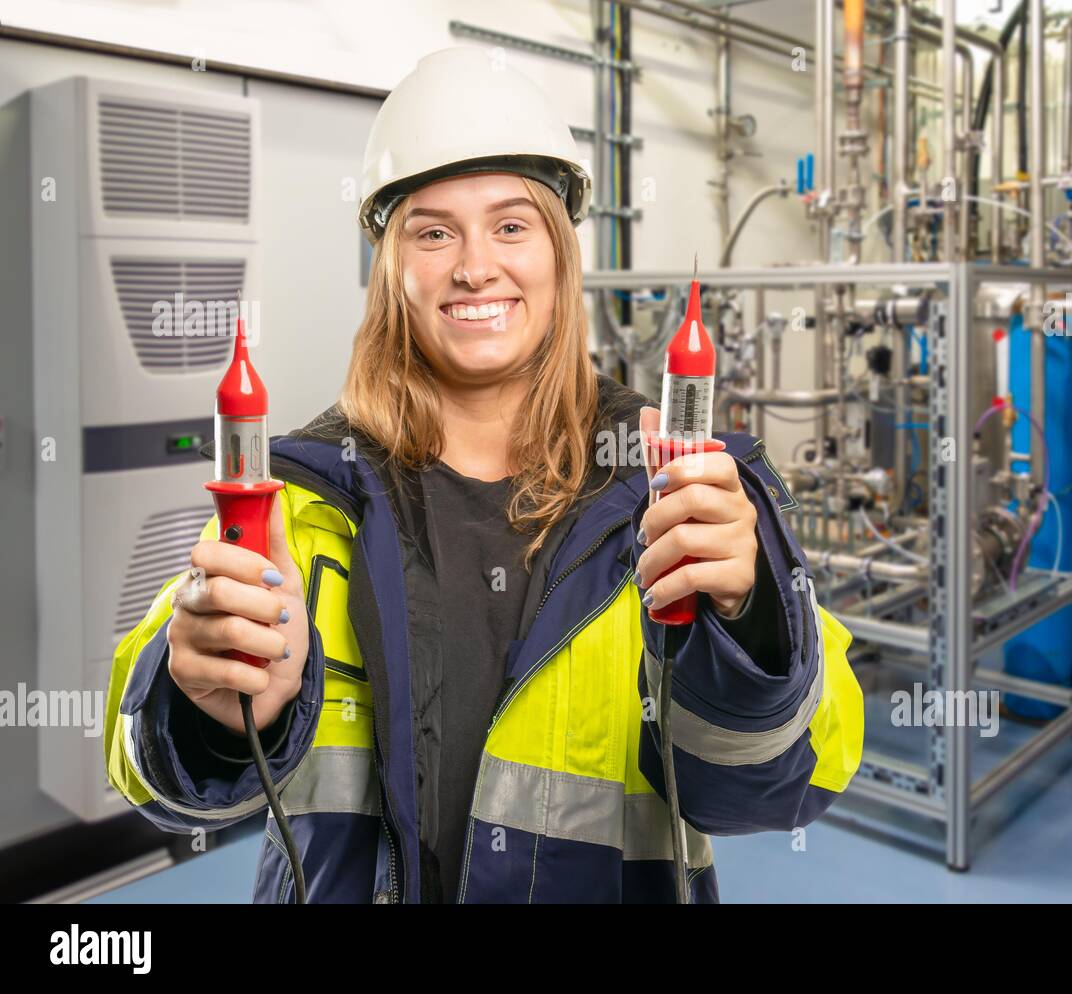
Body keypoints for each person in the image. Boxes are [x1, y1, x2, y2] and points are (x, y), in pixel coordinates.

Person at [105, 46, 863, 904]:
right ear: (390, 266)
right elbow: (152, 777)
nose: (474, 267)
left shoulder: (677, 495)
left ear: (559, 251)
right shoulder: (298, 500)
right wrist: (207, 707)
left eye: (511, 225)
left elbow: (775, 789)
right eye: (433, 231)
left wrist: (748, 618)